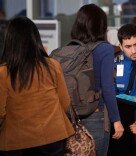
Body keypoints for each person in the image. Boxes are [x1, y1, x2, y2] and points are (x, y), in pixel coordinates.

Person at [0, 17, 74, 156]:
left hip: (16, 141)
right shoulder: (52, 65)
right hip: (54, 137)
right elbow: (65, 104)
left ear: (9, 41)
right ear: (35, 39)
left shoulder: (3, 73)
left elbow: (1, 112)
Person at [69, 4, 124, 156]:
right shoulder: (104, 49)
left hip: (69, 116)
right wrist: (117, 120)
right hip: (96, 115)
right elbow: (107, 88)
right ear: (101, 26)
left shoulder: (71, 49)